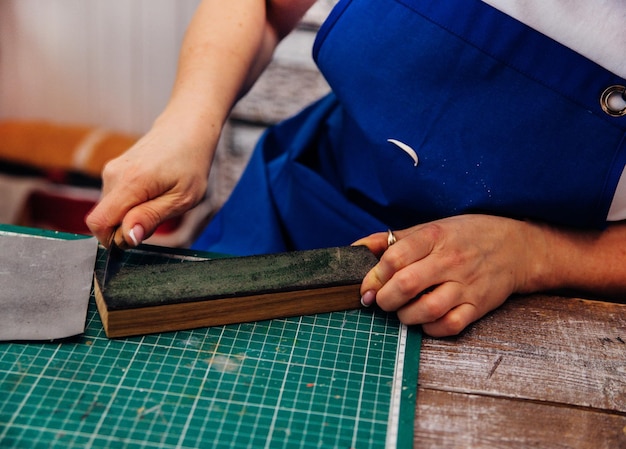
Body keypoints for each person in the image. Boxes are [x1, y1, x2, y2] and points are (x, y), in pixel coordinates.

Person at [86, 0, 626, 337]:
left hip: (504, 302)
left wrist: (532, 255)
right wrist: (186, 121)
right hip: (303, 204)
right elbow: (269, 7)